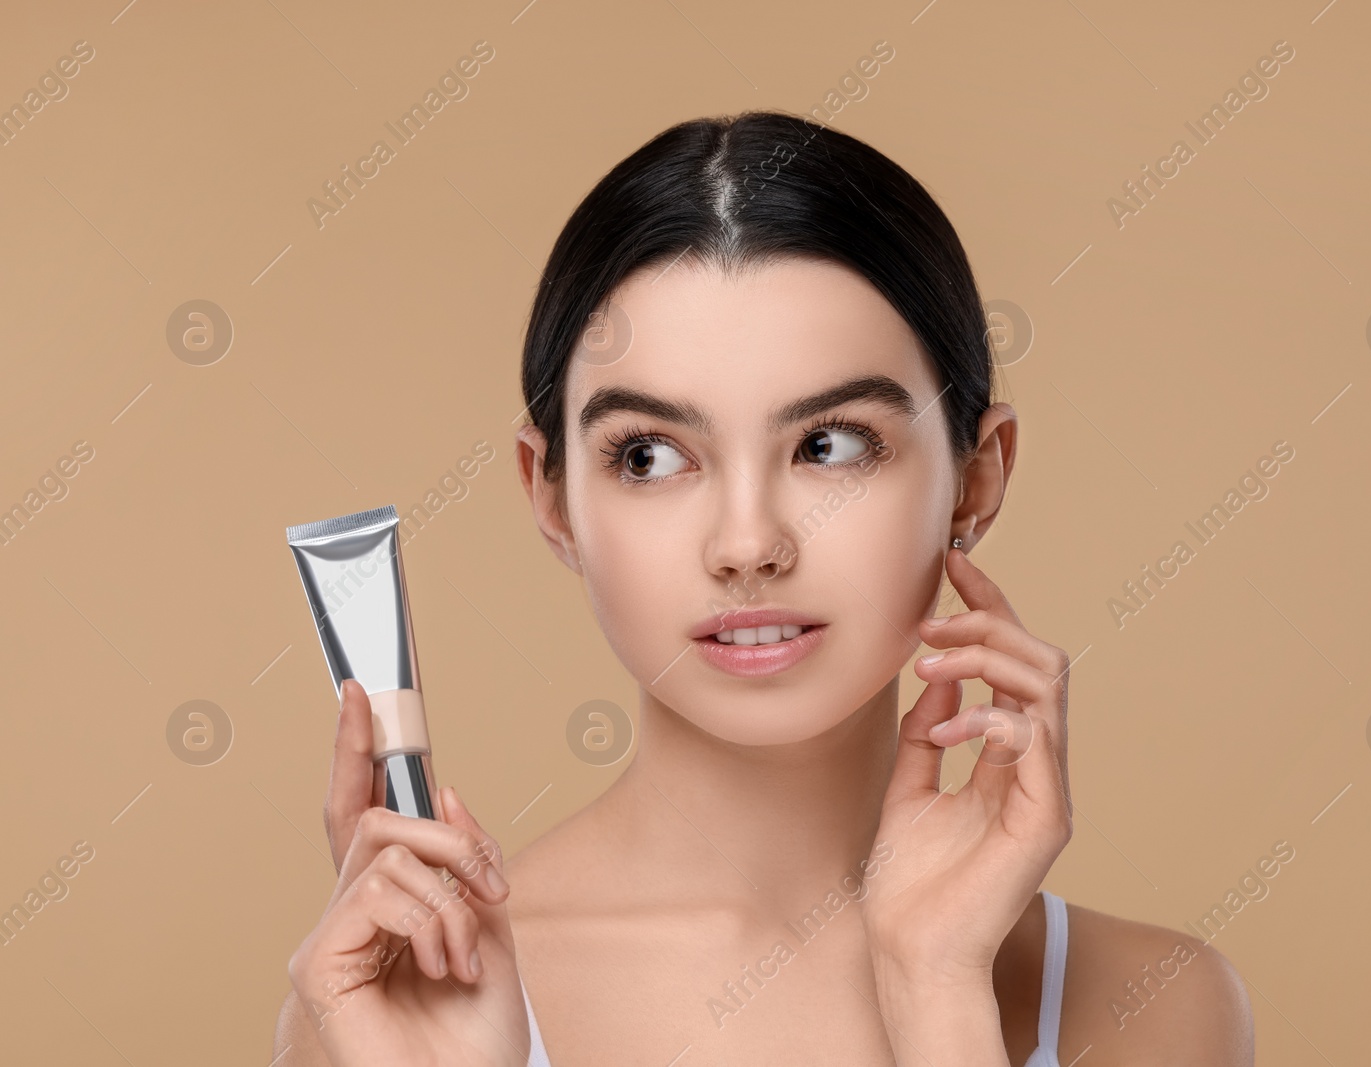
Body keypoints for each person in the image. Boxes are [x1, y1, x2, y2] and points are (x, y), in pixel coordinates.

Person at [272, 110, 1254, 1066]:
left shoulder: (1150, 1006)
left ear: (977, 474)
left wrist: (934, 985)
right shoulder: (378, 1006)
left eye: (828, 445)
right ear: (553, 497)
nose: (748, 544)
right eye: (651, 454)